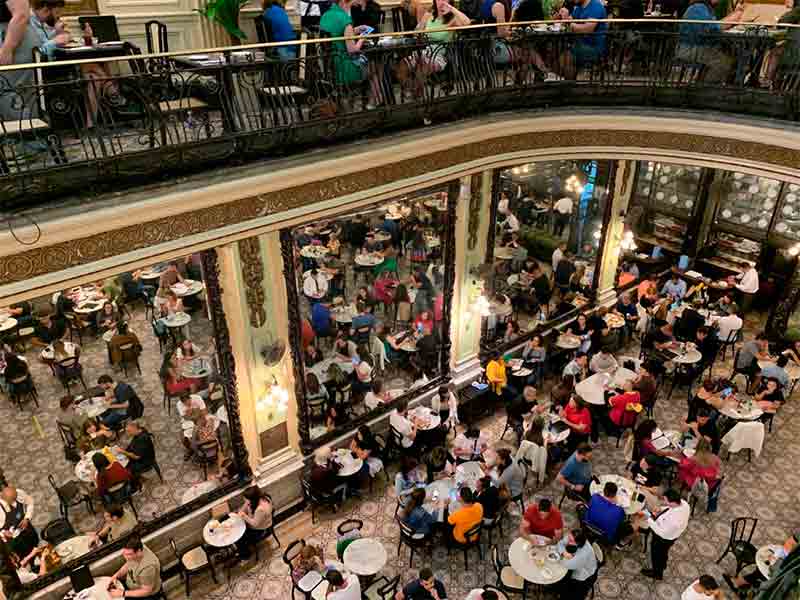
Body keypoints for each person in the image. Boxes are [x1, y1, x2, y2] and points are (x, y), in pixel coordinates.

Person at [677, 0, 744, 83]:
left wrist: (733, 16)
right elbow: (712, 28)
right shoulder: (698, 8)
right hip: (690, 49)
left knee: (728, 55)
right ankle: (706, 88)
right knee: (723, 62)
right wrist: (733, 18)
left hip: (698, 48)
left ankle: (703, 84)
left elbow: (713, 28)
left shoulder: (705, 8)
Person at [641, 489, 690, 580]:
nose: (664, 501)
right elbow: (669, 508)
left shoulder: (674, 521)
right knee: (663, 552)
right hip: (671, 534)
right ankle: (662, 564)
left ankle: (657, 573)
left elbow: (661, 532)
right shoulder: (684, 504)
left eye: (665, 500)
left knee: (656, 554)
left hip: (663, 538)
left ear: (672, 502)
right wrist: (661, 509)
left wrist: (648, 519)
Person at [584, 481, 634, 546]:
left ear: (604, 491)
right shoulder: (619, 510)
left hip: (588, 524)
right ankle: (621, 543)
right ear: (615, 495)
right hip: (606, 537)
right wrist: (615, 503)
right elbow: (621, 521)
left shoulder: (594, 497)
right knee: (630, 526)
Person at [555, 529, 597, 600]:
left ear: (578, 543)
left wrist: (562, 557)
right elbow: (560, 543)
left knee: (570, 595)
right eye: (569, 537)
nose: (568, 540)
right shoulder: (574, 537)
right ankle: (559, 588)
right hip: (574, 561)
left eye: (571, 540)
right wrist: (563, 553)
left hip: (585, 575)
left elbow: (566, 564)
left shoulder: (584, 553)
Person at [235, 485, 273, 559]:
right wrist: (242, 510)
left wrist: (244, 516)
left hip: (261, 529)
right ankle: (243, 550)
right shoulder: (262, 497)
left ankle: (245, 555)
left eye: (246, 499)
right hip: (259, 522)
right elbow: (246, 505)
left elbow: (254, 524)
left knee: (239, 538)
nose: (244, 500)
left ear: (252, 499)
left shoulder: (260, 509)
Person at [0, 486, 37, 557]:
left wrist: (27, 518)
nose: (14, 501)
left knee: (34, 541)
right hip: (13, 537)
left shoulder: (18, 493)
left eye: (14, 499)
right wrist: (3, 532)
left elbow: (30, 502)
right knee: (24, 554)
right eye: (11, 500)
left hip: (25, 526)